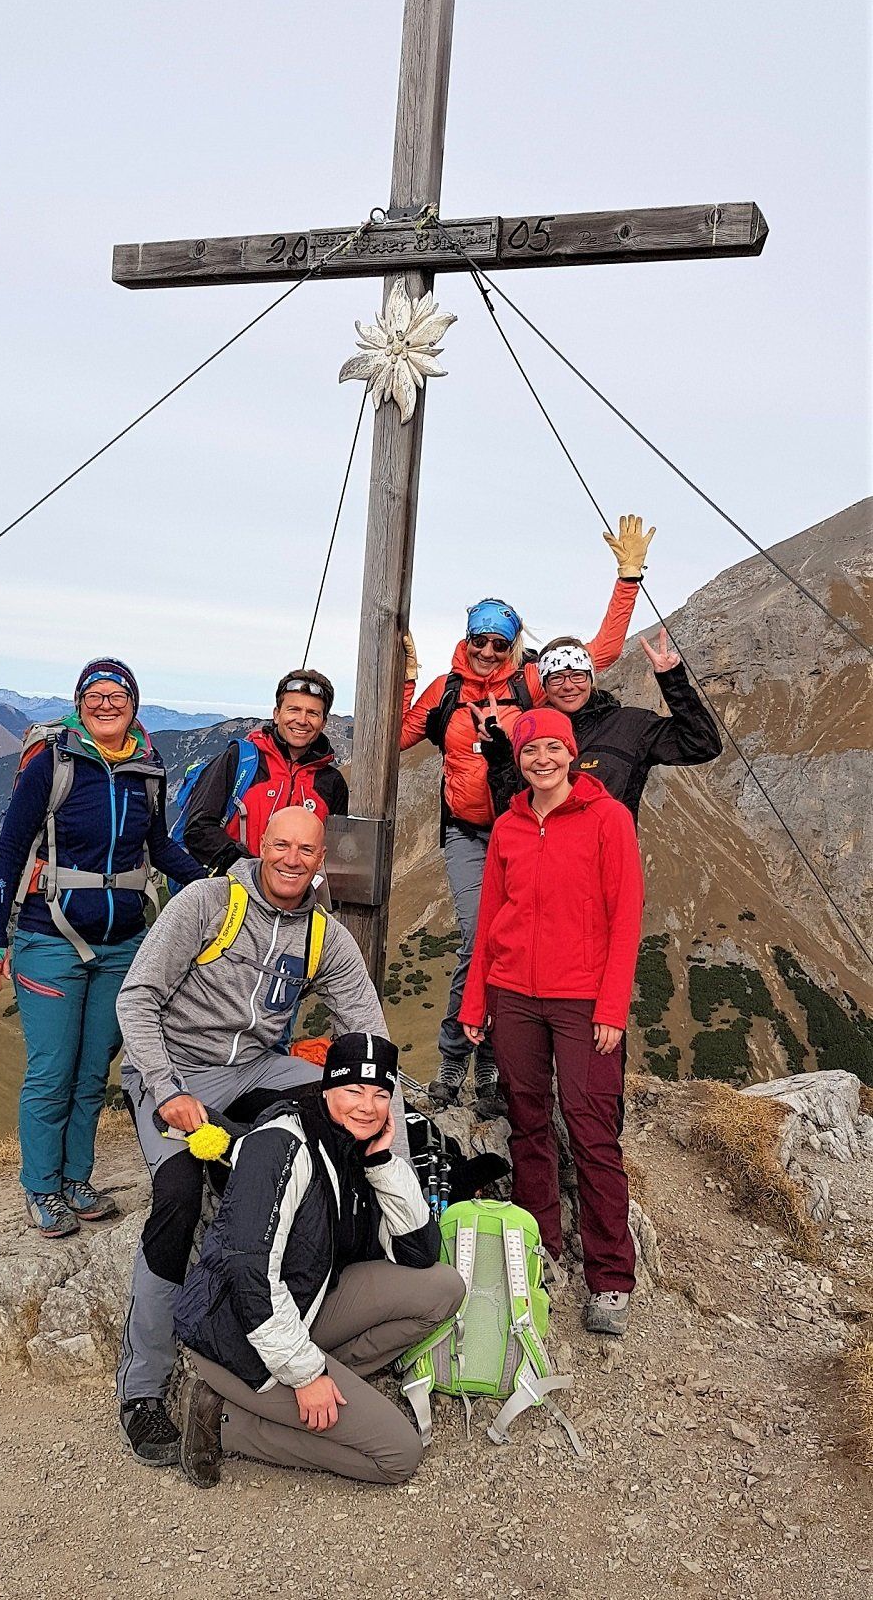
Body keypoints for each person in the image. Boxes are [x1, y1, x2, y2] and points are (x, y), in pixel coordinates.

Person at [114, 806, 410, 1468]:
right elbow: (136, 998)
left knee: (340, 1119)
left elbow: (368, 1030)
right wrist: (167, 1088)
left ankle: (326, 1314)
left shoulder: (323, 935)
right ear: (260, 845)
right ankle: (142, 1392)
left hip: (252, 1068)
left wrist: (380, 1116)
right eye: (281, 845)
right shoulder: (207, 903)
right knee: (179, 1196)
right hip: (173, 1072)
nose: (292, 860)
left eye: (306, 850)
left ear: (320, 860)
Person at [399, 515, 654, 1114]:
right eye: (480, 640)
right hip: (467, 834)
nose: (489, 652)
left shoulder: (529, 683)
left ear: (512, 646)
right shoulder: (444, 692)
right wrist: (407, 679)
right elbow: (395, 736)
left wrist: (628, 578)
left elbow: (598, 654)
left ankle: (491, 1062)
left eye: (500, 643)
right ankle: (455, 1058)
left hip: (523, 830)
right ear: (467, 639)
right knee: (477, 940)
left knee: (508, 946)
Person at [171, 1032, 465, 1488]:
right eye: (354, 1090)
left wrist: (382, 1162)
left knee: (444, 1288)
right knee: (398, 1455)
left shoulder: (351, 1143)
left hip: (304, 1304)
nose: (367, 1107)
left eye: (380, 1094)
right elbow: (247, 1270)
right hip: (235, 1333)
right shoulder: (282, 1144)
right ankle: (225, 1418)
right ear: (326, 1088)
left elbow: (419, 1253)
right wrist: (307, 1375)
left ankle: (319, 1379)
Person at [0, 657, 205, 1239]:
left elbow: (159, 846)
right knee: (52, 1071)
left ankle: (76, 1180)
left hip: (123, 946)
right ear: (79, 704)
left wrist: (215, 884)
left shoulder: (146, 768)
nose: (106, 705)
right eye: (95, 695)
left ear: (133, 704)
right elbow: (9, 853)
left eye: (117, 696)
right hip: (49, 937)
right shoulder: (52, 762)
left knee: (91, 1073)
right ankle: (42, 1187)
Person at [459, 708, 644, 1339]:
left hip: (582, 999)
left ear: (570, 754)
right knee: (527, 1119)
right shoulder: (508, 826)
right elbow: (490, 918)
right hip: (513, 993)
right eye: (530, 750)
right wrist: (476, 1003)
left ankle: (611, 1275)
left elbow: (626, 918)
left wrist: (612, 1008)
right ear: (519, 759)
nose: (541, 759)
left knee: (592, 1129)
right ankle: (540, 1244)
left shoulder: (608, 818)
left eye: (552, 748)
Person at [482, 626, 723, 825]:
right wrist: (500, 758)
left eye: (578, 675)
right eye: (556, 678)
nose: (568, 686)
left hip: (607, 860)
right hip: (546, 862)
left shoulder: (630, 725)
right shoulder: (532, 733)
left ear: (591, 679)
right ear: (544, 685)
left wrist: (673, 681)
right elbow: (512, 810)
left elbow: (702, 745)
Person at [181, 668, 347, 875]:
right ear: (276, 714)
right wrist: (250, 871)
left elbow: (334, 854)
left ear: (323, 723)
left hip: (299, 891)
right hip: (234, 888)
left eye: (312, 713)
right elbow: (198, 828)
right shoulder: (240, 759)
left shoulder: (333, 783)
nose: (302, 720)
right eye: (293, 709)